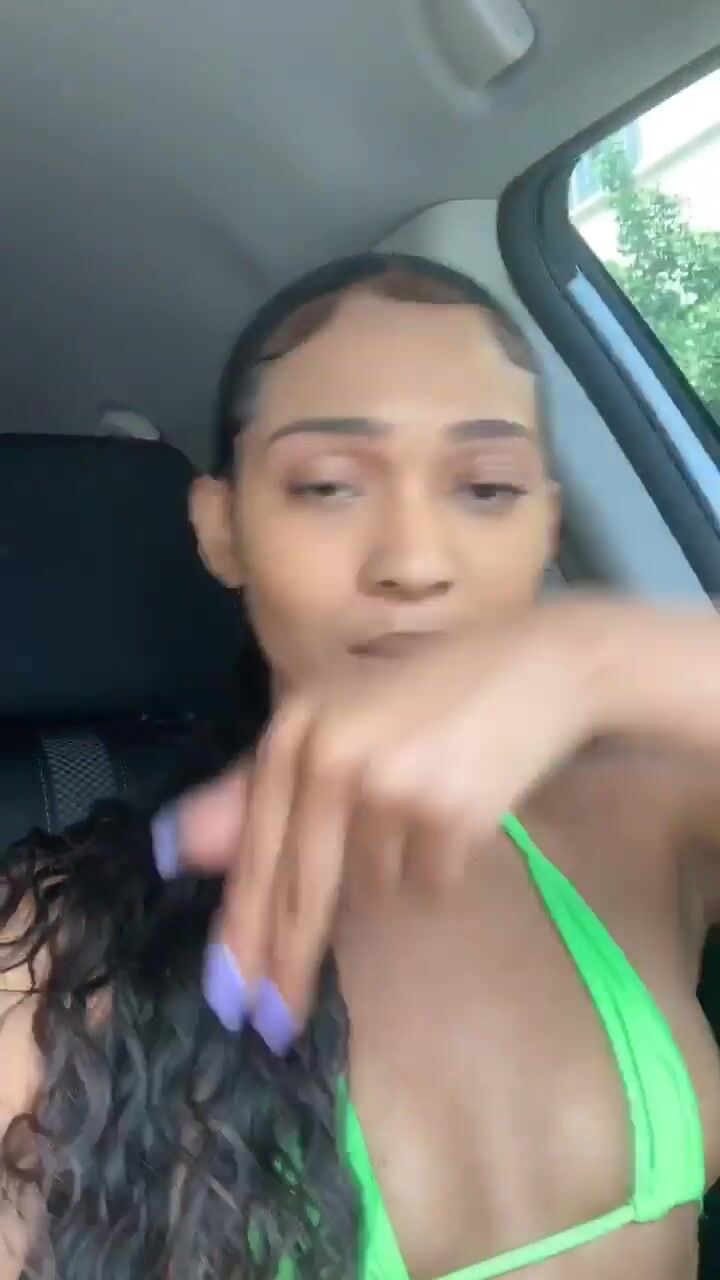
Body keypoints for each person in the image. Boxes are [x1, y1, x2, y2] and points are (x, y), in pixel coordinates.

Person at [2, 251, 720, 1280]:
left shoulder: (640, 822)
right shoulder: (54, 961)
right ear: (222, 528)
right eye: (329, 485)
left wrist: (600, 655)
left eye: (487, 487)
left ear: (548, 527)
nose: (414, 561)